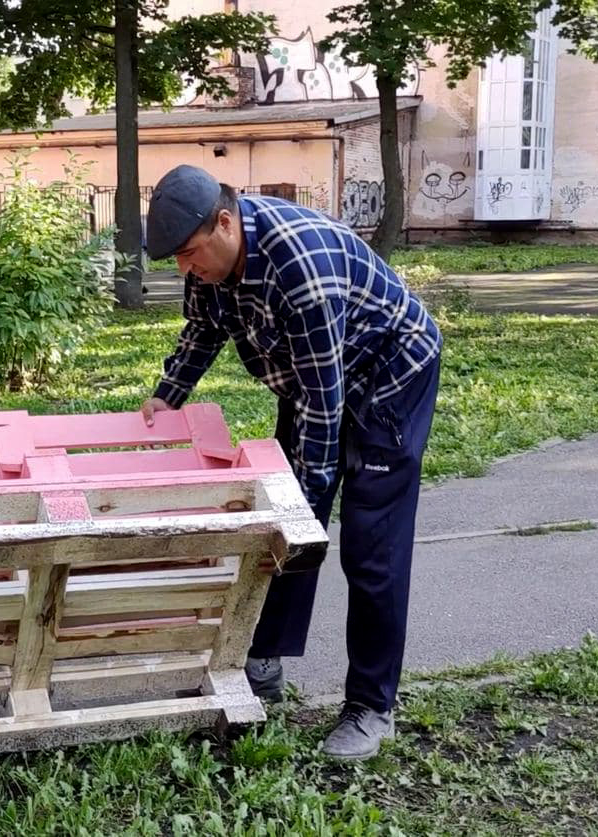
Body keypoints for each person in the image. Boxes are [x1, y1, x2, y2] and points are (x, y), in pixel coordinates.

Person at [140, 165, 442, 761]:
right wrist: (165, 395)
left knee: (369, 547)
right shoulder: (209, 262)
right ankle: (263, 662)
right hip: (310, 379)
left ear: (225, 223)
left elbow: (325, 408)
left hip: (387, 379)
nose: (184, 270)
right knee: (285, 516)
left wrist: (308, 496)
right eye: (176, 259)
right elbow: (203, 331)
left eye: (189, 255)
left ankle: (371, 706)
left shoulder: (300, 266)